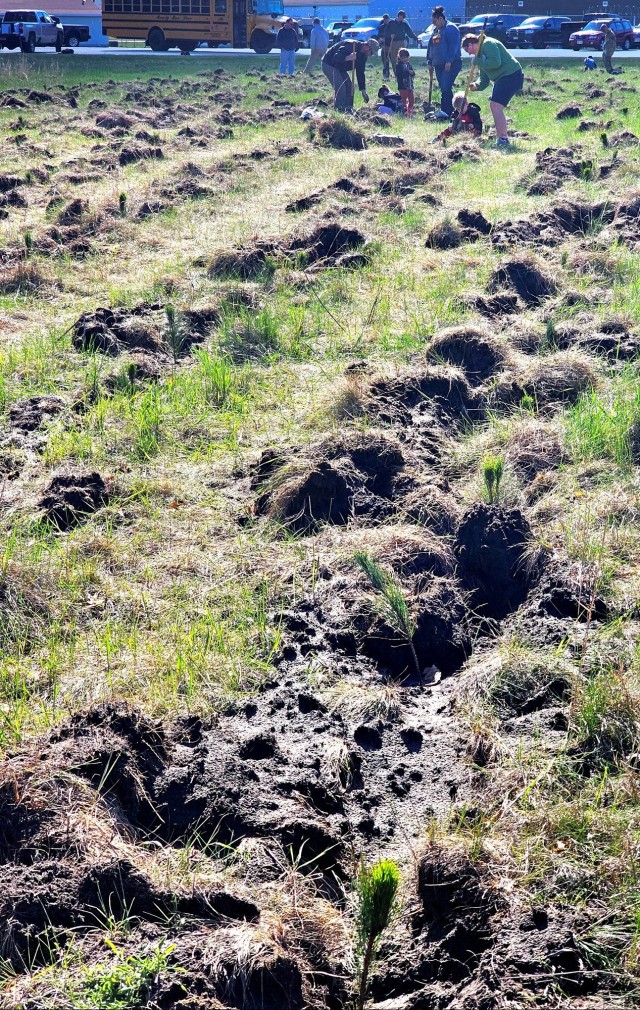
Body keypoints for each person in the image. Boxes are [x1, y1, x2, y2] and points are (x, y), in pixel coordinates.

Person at [463, 32, 523, 147]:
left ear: (471, 45)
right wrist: (476, 85)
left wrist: (478, 61)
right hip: (502, 78)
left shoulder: (488, 44)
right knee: (494, 105)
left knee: (495, 105)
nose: (469, 53)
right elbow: (484, 79)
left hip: (511, 75)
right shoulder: (479, 56)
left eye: (467, 50)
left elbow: (495, 62)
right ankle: (501, 138)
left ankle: (503, 139)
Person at [322, 37, 378, 112]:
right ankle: (339, 110)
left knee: (350, 87)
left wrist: (363, 90)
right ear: (367, 47)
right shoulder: (350, 45)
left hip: (340, 67)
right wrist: (348, 57)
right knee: (341, 88)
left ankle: (348, 109)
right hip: (329, 64)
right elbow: (336, 58)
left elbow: (360, 72)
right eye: (371, 52)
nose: (370, 55)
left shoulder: (363, 56)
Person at [427, 5, 462, 120]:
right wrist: (430, 61)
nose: (434, 24)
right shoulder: (436, 30)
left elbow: (454, 46)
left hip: (451, 63)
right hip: (438, 64)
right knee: (443, 88)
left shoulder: (451, 28)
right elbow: (431, 46)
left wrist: (449, 61)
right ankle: (446, 111)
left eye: (435, 21)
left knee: (446, 87)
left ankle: (448, 111)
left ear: (441, 19)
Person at [395, 47, 415, 115]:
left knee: (411, 99)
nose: (405, 59)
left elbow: (413, 72)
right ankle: (403, 111)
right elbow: (400, 74)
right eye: (403, 57)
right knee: (403, 99)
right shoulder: (399, 65)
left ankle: (409, 110)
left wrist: (412, 73)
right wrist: (408, 72)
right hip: (403, 86)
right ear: (400, 57)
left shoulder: (408, 64)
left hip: (410, 85)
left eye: (406, 57)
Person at [377, 13, 392, 81]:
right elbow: (378, 35)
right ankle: (386, 74)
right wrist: (381, 39)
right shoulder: (381, 27)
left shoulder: (392, 26)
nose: (386, 21)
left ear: (389, 19)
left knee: (394, 60)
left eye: (387, 19)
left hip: (391, 46)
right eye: (384, 19)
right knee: (385, 61)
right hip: (384, 46)